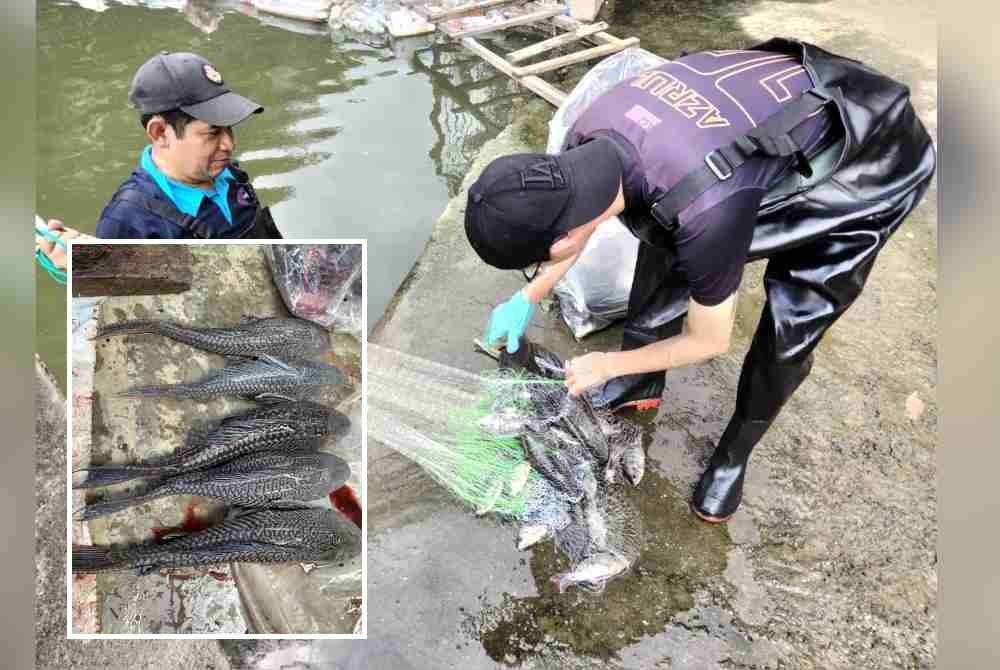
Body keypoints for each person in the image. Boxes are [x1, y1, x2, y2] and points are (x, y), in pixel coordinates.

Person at [464, 39, 936, 524]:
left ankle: (734, 453)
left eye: (537, 264)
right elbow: (578, 225)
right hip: (755, 128)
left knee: (794, 313)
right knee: (663, 227)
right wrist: (529, 294)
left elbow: (710, 340)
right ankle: (640, 379)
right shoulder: (584, 136)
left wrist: (607, 361)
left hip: (870, 153)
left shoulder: (703, 206)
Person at [95, 51, 281, 239]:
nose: (229, 144)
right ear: (160, 133)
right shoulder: (128, 222)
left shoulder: (232, 176)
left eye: (229, 128)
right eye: (213, 132)